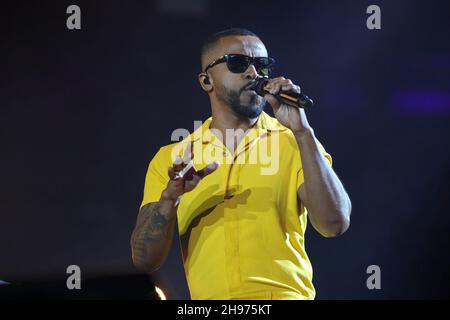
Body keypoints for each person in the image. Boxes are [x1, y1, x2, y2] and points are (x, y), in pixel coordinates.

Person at [131, 28, 352, 300]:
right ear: (206, 81)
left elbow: (334, 224)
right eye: (237, 63)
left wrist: (304, 132)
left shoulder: (294, 142)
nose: (253, 73)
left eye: (262, 65)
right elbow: (144, 260)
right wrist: (169, 199)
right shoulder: (173, 157)